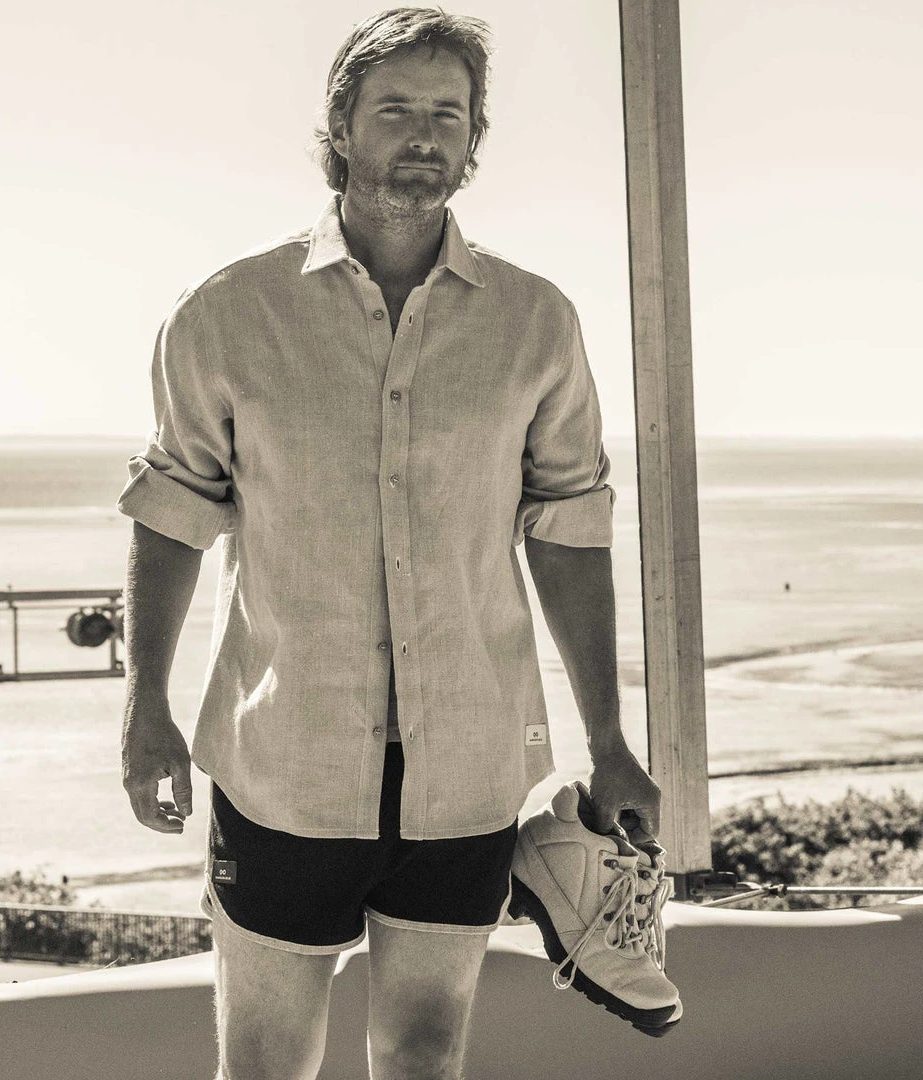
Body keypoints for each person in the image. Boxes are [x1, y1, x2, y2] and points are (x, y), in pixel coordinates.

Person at [118, 8, 660, 1079]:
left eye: (448, 115)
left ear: (475, 138)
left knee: (424, 1054)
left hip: (468, 766)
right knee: (266, 1062)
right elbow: (172, 511)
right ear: (341, 127)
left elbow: (569, 528)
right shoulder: (229, 312)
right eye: (396, 110)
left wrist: (608, 742)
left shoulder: (535, 322)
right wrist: (145, 708)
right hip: (284, 764)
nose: (423, 136)